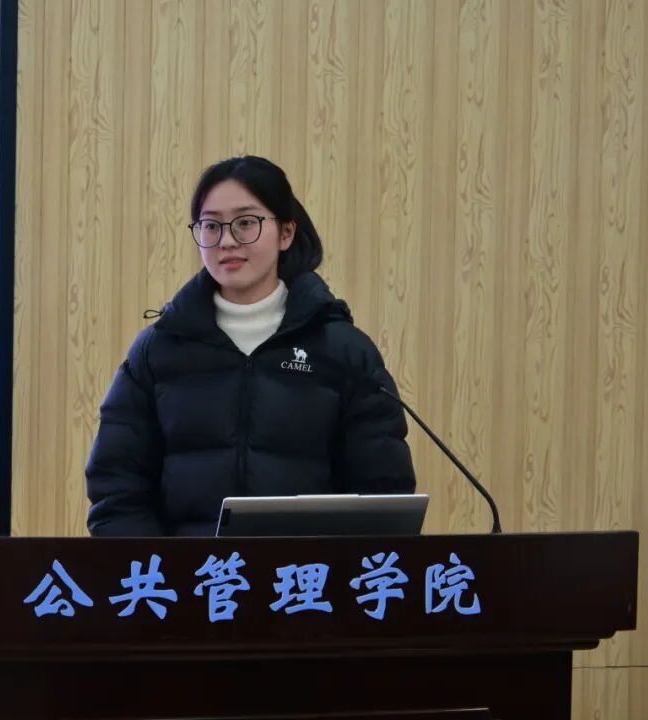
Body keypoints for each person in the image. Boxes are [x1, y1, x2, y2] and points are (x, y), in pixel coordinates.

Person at [85, 155, 415, 536]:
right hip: (190, 572)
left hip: (308, 572)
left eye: (245, 223)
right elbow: (116, 489)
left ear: (286, 233)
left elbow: (382, 492)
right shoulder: (158, 351)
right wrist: (162, 566)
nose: (226, 241)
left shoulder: (343, 351)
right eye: (211, 226)